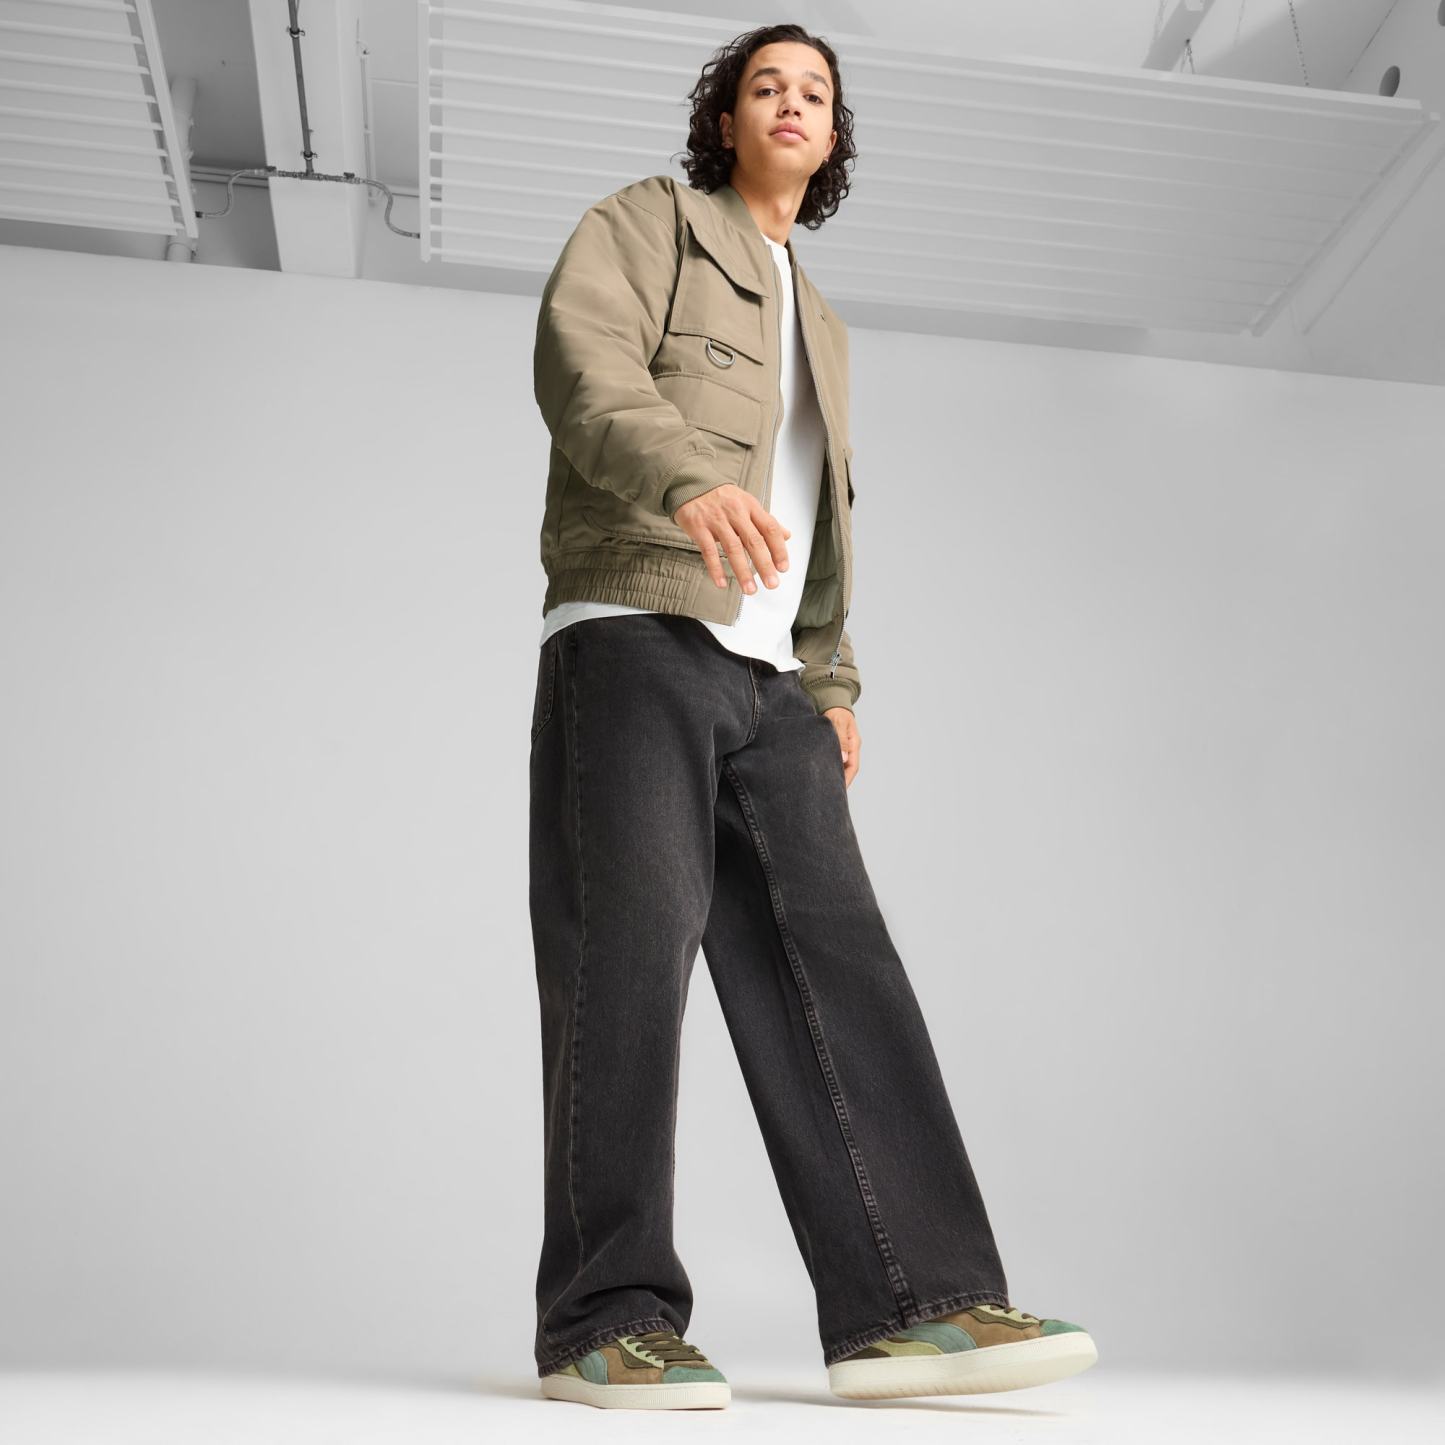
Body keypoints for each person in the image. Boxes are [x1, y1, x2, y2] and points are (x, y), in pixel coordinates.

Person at [526, 23, 1097, 1411]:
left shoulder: (820, 320)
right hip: (636, 630)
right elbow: (580, 365)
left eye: (815, 93)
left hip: (768, 676)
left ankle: (911, 1304)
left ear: (832, 137)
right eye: (765, 85)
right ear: (724, 118)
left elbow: (819, 517)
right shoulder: (648, 224)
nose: (791, 103)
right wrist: (683, 480)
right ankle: (606, 1320)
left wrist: (828, 682)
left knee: (840, 964)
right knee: (628, 964)